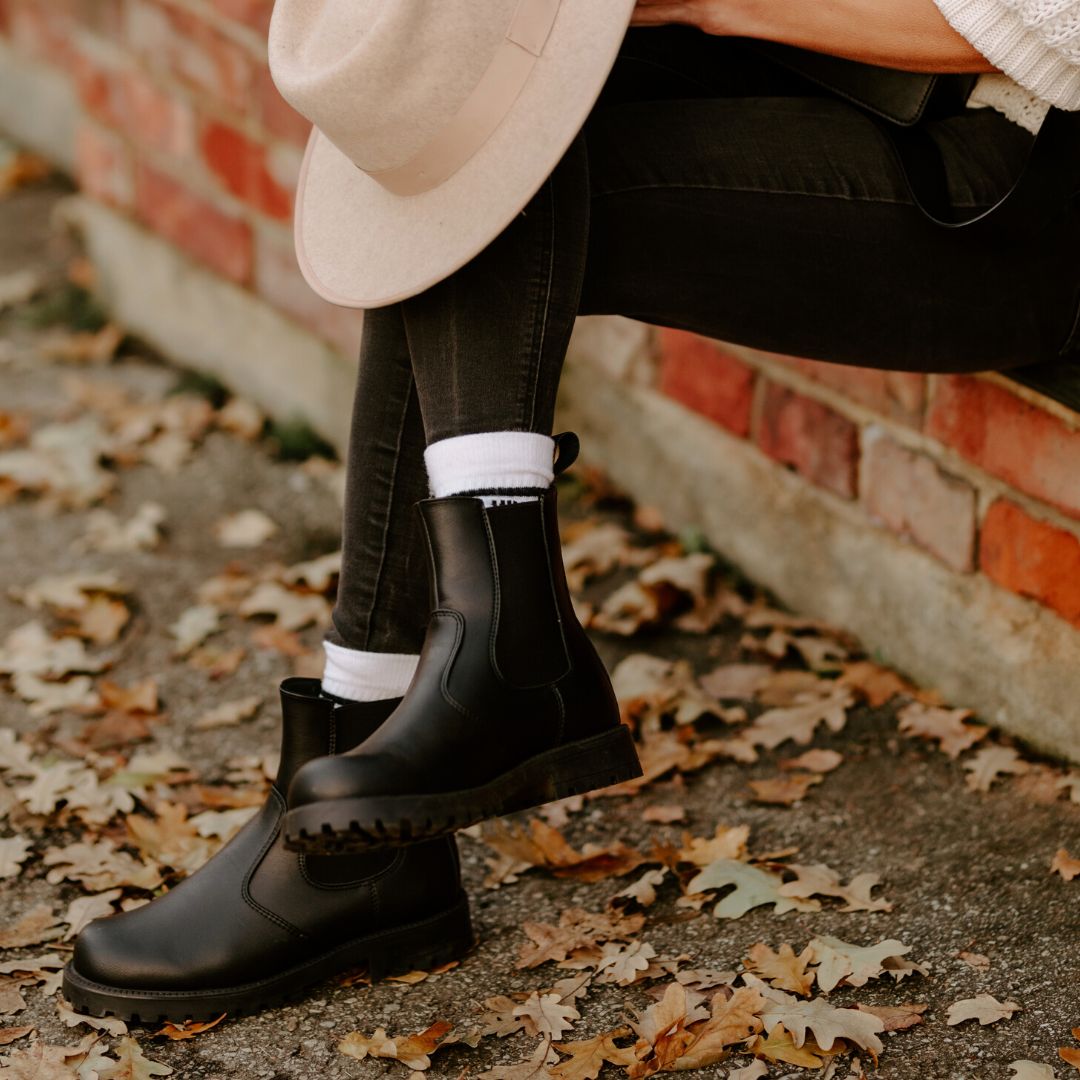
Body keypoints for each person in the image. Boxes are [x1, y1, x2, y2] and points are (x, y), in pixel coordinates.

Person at [63, 0, 1080, 1022]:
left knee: (501, 158)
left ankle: (448, 709)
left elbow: (1043, 29)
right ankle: (397, 744)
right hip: (867, 94)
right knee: (451, 103)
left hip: (1015, 183)